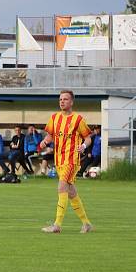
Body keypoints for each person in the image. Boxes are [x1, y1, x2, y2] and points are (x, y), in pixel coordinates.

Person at [39, 90, 94, 234]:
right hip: (59, 160)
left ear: (71, 102)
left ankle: (57, 225)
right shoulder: (54, 118)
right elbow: (50, 135)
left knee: (61, 187)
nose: (62, 101)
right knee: (71, 193)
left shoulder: (78, 119)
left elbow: (88, 138)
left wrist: (83, 146)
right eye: (60, 99)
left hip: (71, 160)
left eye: (65, 99)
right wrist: (45, 142)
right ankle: (86, 223)